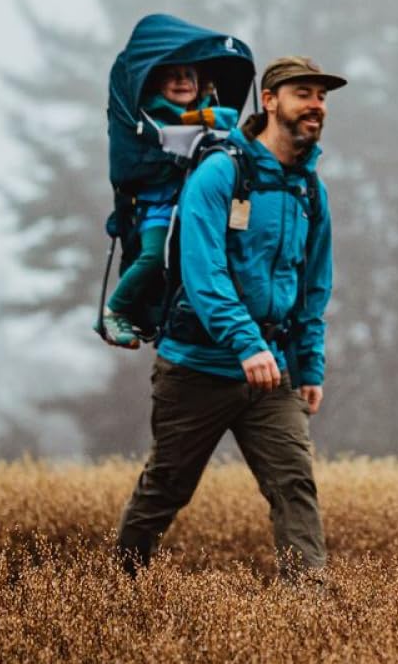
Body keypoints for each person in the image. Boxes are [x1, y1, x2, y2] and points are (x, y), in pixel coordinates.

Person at [115, 54, 346, 578]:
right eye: (303, 94)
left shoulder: (309, 189)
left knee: (295, 486)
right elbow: (203, 274)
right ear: (269, 101)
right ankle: (118, 590)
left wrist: (308, 367)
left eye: (322, 97)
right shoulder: (222, 171)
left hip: (272, 372)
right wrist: (246, 344)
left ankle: (306, 612)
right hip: (198, 365)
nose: (316, 106)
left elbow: (314, 284)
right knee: (166, 489)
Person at [98, 61, 238, 349]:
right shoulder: (149, 114)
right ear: (158, 84)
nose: (182, 81)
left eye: (189, 75)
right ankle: (114, 310)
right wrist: (194, 124)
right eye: (172, 77)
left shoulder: (210, 109)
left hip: (195, 205)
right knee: (153, 256)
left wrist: (199, 119)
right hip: (158, 206)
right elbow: (163, 136)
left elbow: (230, 119)